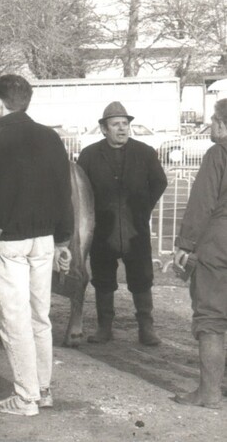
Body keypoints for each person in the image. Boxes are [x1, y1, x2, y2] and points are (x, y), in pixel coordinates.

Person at [0, 74, 73, 416]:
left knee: (15, 323)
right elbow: (64, 193)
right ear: (27, 101)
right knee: (40, 317)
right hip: (44, 241)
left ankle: (25, 398)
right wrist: (63, 239)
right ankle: (43, 390)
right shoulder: (52, 139)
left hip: (8, 244)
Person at [77, 102, 168, 346]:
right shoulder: (89, 155)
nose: (122, 129)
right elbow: (79, 189)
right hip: (102, 229)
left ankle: (146, 328)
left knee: (141, 277)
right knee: (103, 278)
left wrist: (142, 208)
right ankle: (104, 327)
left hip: (135, 228)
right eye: (116, 124)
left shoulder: (145, 152)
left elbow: (160, 182)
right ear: (103, 128)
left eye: (125, 124)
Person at [172, 99, 227, 409]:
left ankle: (208, 392)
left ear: (220, 124)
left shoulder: (217, 153)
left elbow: (202, 202)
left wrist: (185, 244)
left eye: (213, 122)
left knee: (211, 318)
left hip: (219, 243)